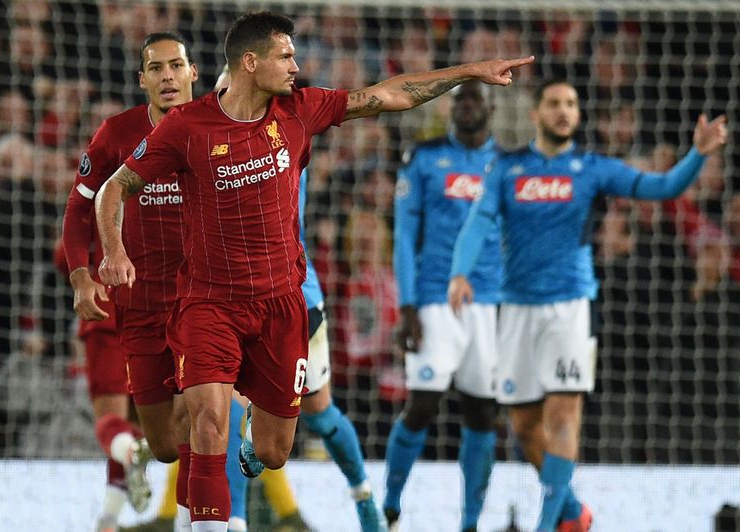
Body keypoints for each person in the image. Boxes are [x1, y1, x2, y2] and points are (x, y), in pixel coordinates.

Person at [96, 11, 532, 531]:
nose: (296, 65)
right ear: (250, 63)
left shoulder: (300, 111)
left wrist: (467, 70)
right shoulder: (186, 128)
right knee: (209, 423)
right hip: (207, 303)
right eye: (286, 55)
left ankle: (267, 435)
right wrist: (113, 252)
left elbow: (389, 95)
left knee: (276, 452)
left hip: (283, 303)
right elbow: (113, 189)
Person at [448, 79, 728, 532]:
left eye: (571, 104)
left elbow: (661, 187)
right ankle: (574, 513)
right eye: (554, 103)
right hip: (516, 308)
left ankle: (549, 524)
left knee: (563, 417)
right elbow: (479, 222)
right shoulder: (507, 168)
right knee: (523, 428)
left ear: (578, 116)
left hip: (571, 307)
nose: (563, 111)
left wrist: (697, 154)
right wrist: (460, 273)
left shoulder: (592, 168)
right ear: (536, 114)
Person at [214, 64, 383, 531]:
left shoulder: (281, 134)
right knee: (229, 410)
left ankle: (364, 497)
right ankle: (235, 522)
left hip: (294, 301)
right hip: (234, 305)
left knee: (321, 416)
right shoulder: (207, 141)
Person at [60, 33, 197, 531]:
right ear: (142, 79)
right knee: (164, 445)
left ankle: (194, 523)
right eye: (156, 68)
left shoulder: (217, 126)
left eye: (175, 66)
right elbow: (78, 207)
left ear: (192, 73)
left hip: (201, 302)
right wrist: (80, 277)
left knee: (198, 422)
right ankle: (135, 459)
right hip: (137, 306)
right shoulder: (117, 135)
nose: (167, 76)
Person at [385, 81, 501, 532]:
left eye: (476, 99)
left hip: (490, 303)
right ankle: (390, 505)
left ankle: (470, 521)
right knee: (423, 403)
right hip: (434, 300)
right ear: (451, 107)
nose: (468, 106)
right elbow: (402, 236)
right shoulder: (424, 160)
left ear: (491, 106)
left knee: (481, 412)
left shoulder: (507, 166)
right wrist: (408, 305)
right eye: (461, 99)